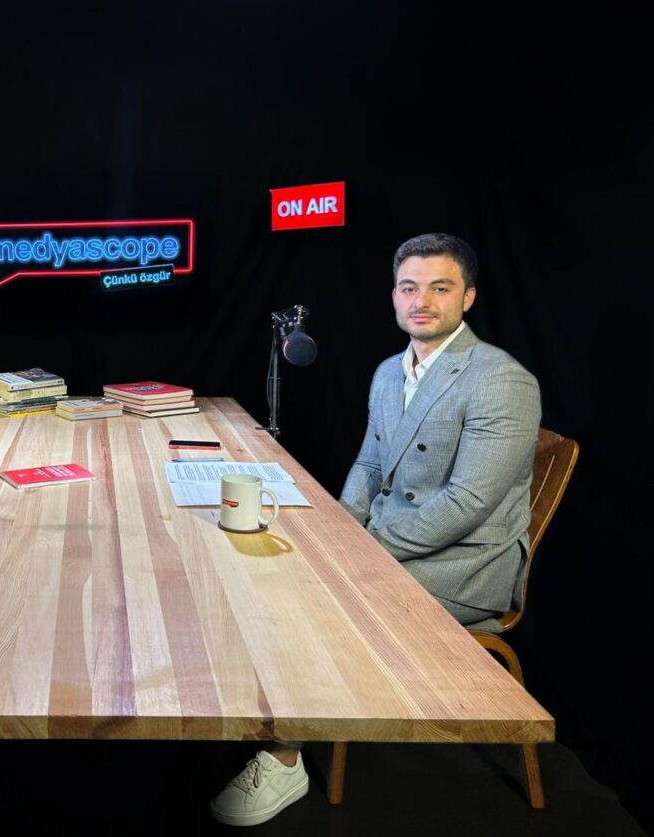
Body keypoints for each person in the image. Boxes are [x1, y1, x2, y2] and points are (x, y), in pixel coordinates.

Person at [210, 233, 541, 827]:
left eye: (440, 288)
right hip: (389, 545)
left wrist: (358, 552)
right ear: (393, 296)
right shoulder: (390, 371)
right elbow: (368, 465)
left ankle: (284, 758)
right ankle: (266, 715)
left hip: (466, 565)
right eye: (409, 288)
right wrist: (339, 528)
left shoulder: (501, 380)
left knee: (318, 602)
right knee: (269, 570)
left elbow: (467, 504)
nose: (422, 301)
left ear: (468, 297)